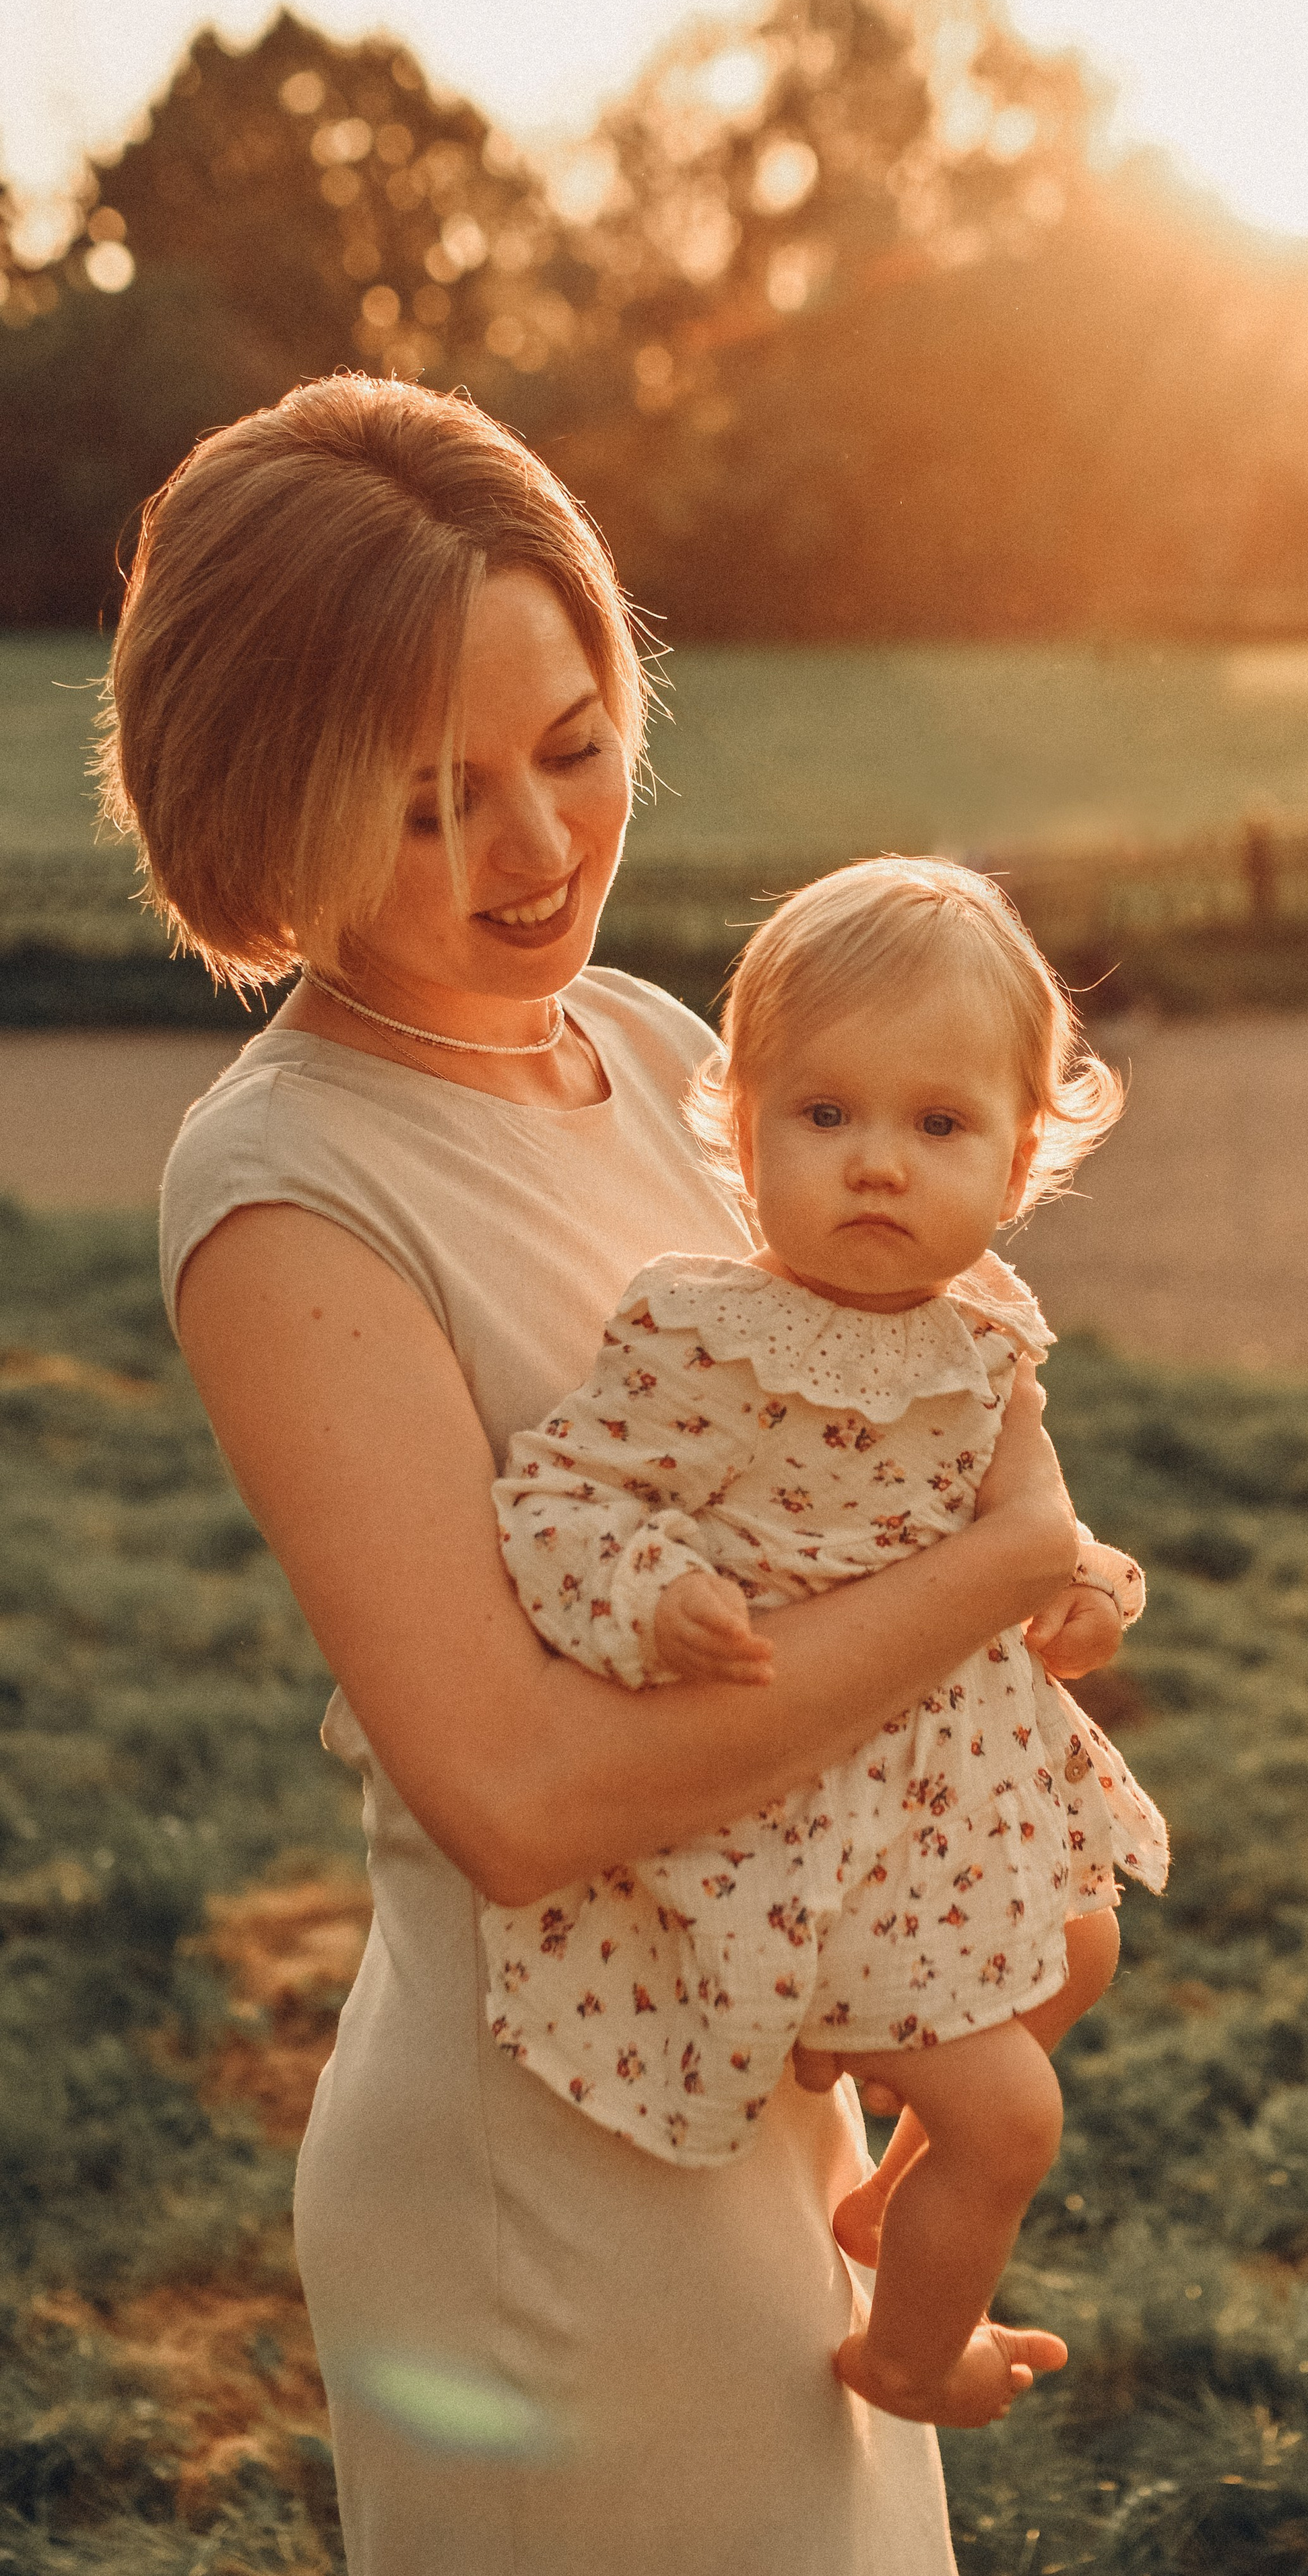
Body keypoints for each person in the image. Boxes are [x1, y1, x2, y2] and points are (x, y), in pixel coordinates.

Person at [115, 372, 1096, 2576]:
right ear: (266, 800)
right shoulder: (284, 1185)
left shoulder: (660, 1047)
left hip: (784, 2062)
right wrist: (1003, 1561)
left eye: (573, 744)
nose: (545, 851)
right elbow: (525, 1788)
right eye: (435, 799)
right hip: (547, 2185)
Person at [482, 858, 1167, 2427]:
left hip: (954, 1786)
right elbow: (561, 1499)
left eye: (935, 1128)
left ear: (1011, 1169)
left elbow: (1031, 1529)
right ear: (741, 1134)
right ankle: (911, 2354)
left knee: (1081, 1945)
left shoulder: (985, 1336)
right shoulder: (708, 1335)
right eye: (825, 1116)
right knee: (1010, 2119)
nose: (876, 1167)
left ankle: (878, 2206)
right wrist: (653, 1587)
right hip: (801, 1803)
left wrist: (1080, 1596)